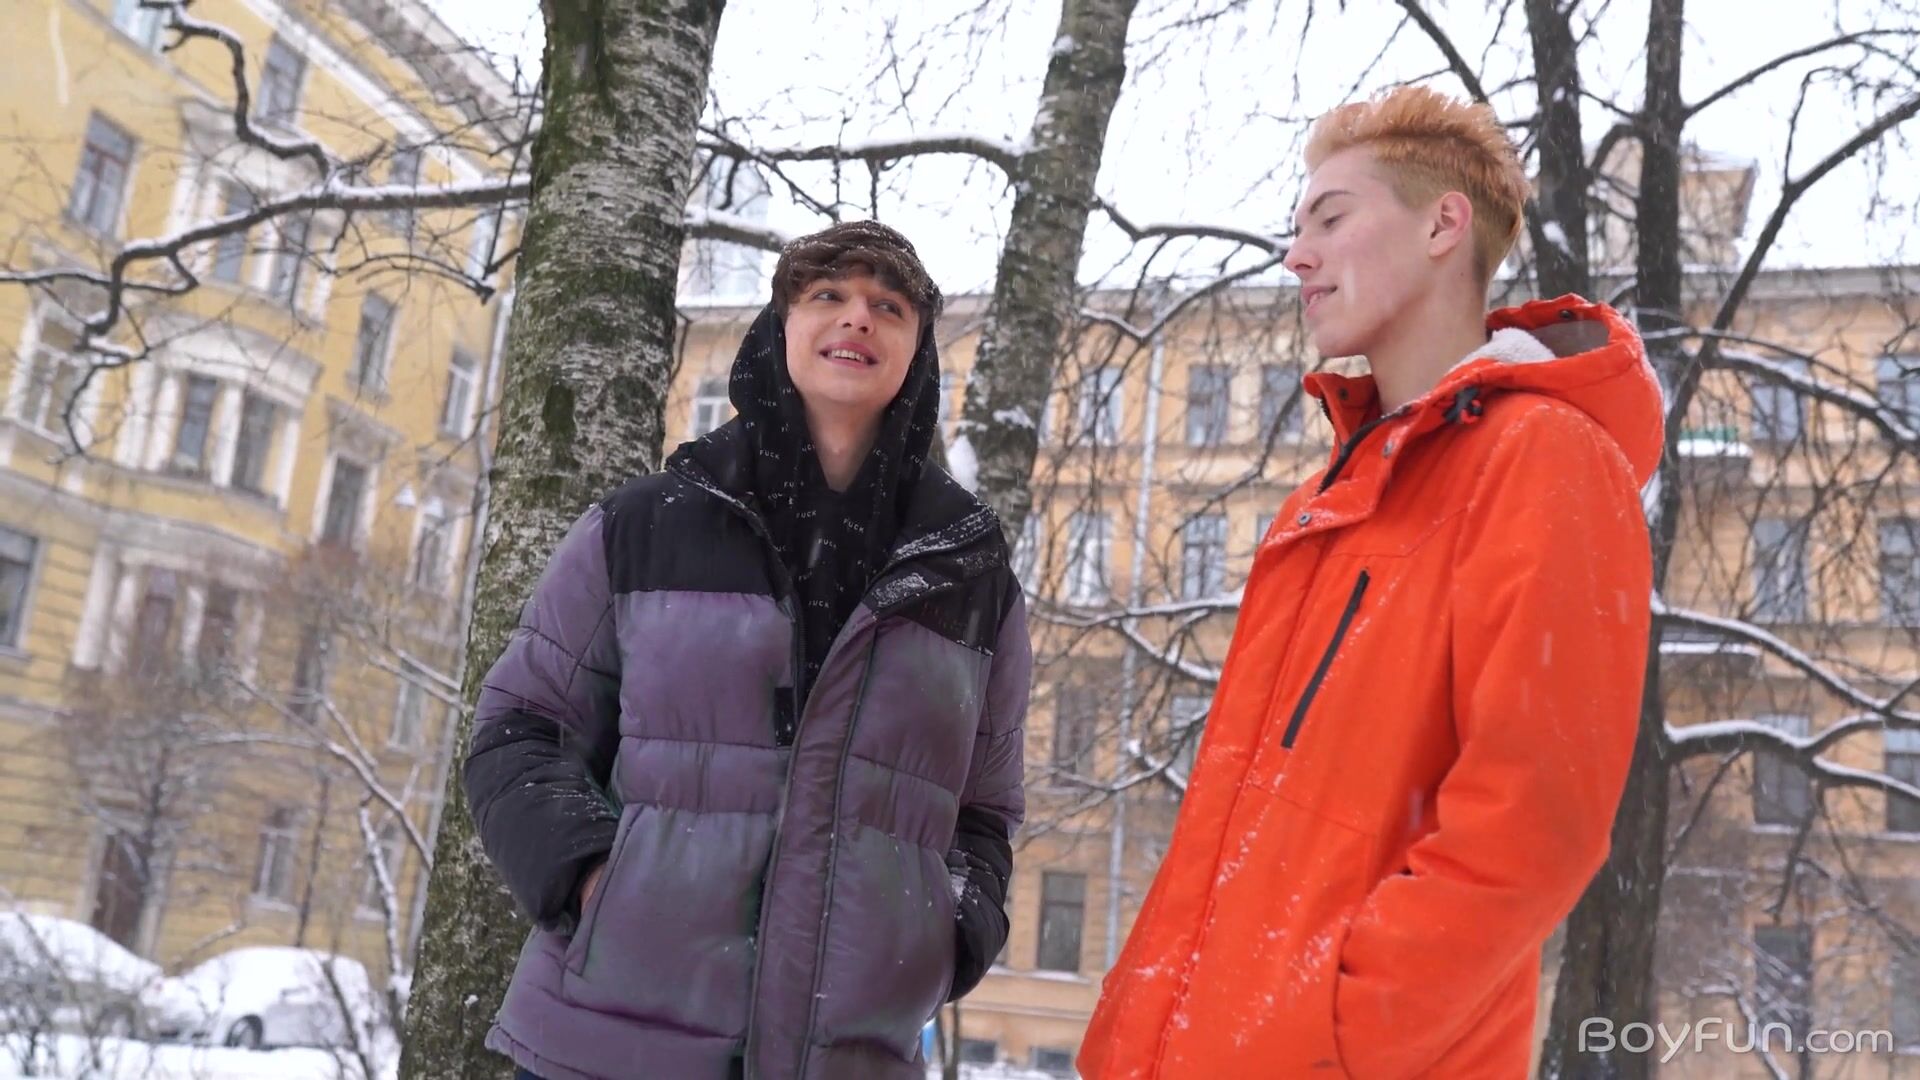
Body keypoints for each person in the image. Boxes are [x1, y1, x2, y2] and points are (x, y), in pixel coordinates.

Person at [1078, 86, 1661, 1078]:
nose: (1296, 255)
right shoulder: (1323, 499)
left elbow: (1534, 823)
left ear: (1442, 225)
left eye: (1330, 219)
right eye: (1296, 228)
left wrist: (1341, 1033)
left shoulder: (1543, 458)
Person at [464, 221, 1031, 1080]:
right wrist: (592, 878)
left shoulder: (969, 573)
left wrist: (950, 931)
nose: (858, 318)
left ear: (918, 349)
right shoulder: (642, 528)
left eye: (889, 306)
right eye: (828, 295)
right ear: (780, 325)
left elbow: (985, 807)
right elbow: (520, 727)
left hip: (850, 1056)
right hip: (608, 1042)